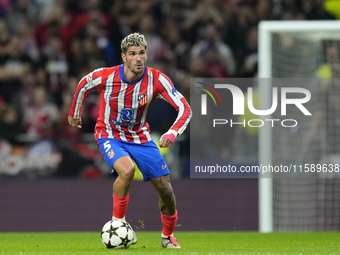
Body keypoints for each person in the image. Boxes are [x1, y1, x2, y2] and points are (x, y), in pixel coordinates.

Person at [68, 32, 192, 248]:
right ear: (124, 57)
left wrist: (173, 132)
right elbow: (83, 84)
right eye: (132, 54)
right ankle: (118, 223)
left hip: (140, 137)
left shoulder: (157, 80)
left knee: (166, 191)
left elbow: (185, 108)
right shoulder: (107, 76)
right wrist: (75, 112)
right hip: (109, 133)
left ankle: (167, 236)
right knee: (126, 170)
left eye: (142, 53)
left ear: (146, 54)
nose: (138, 58)